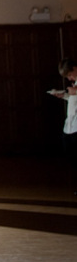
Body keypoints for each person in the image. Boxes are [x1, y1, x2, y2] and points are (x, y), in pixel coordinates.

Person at [48, 58, 77, 195]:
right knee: (70, 154)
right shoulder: (74, 84)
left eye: (70, 75)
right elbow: (73, 99)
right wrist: (65, 95)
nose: (70, 78)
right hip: (70, 125)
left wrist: (73, 93)